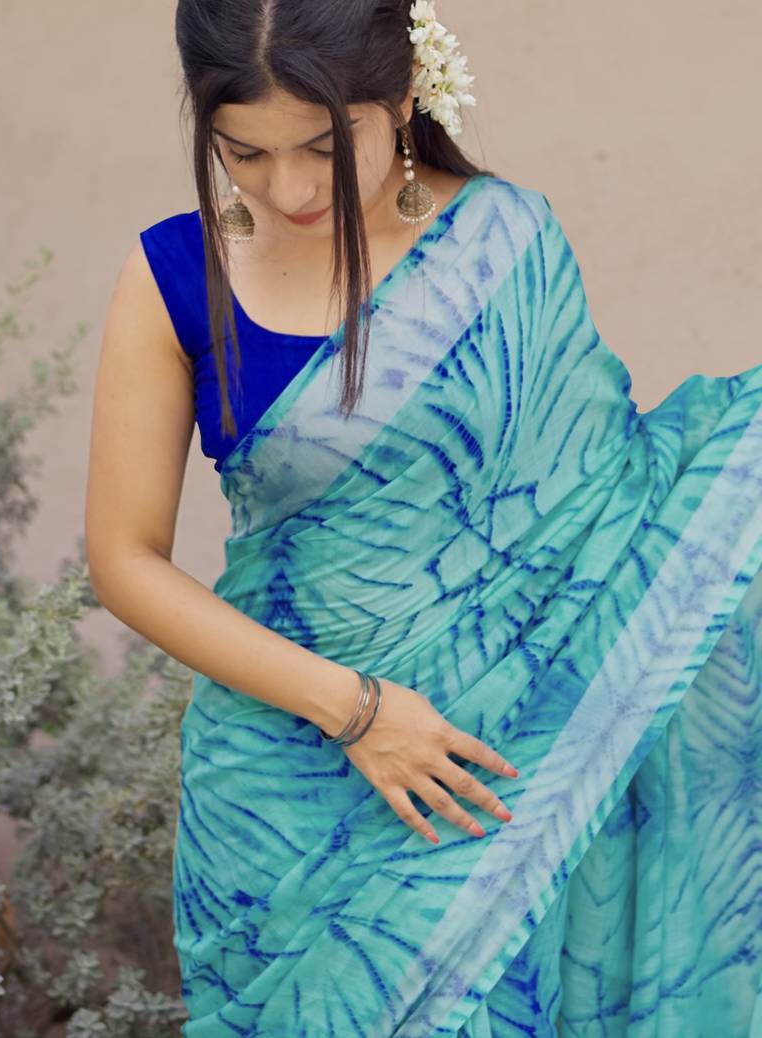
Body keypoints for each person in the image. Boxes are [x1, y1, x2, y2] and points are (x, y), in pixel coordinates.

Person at [84, 1, 762, 1035]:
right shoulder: (177, 274)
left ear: (402, 97)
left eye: (324, 148)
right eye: (243, 153)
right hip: (284, 788)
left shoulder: (505, 243)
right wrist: (358, 712)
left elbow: (613, 512)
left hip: (504, 770)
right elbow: (125, 560)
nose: (288, 189)